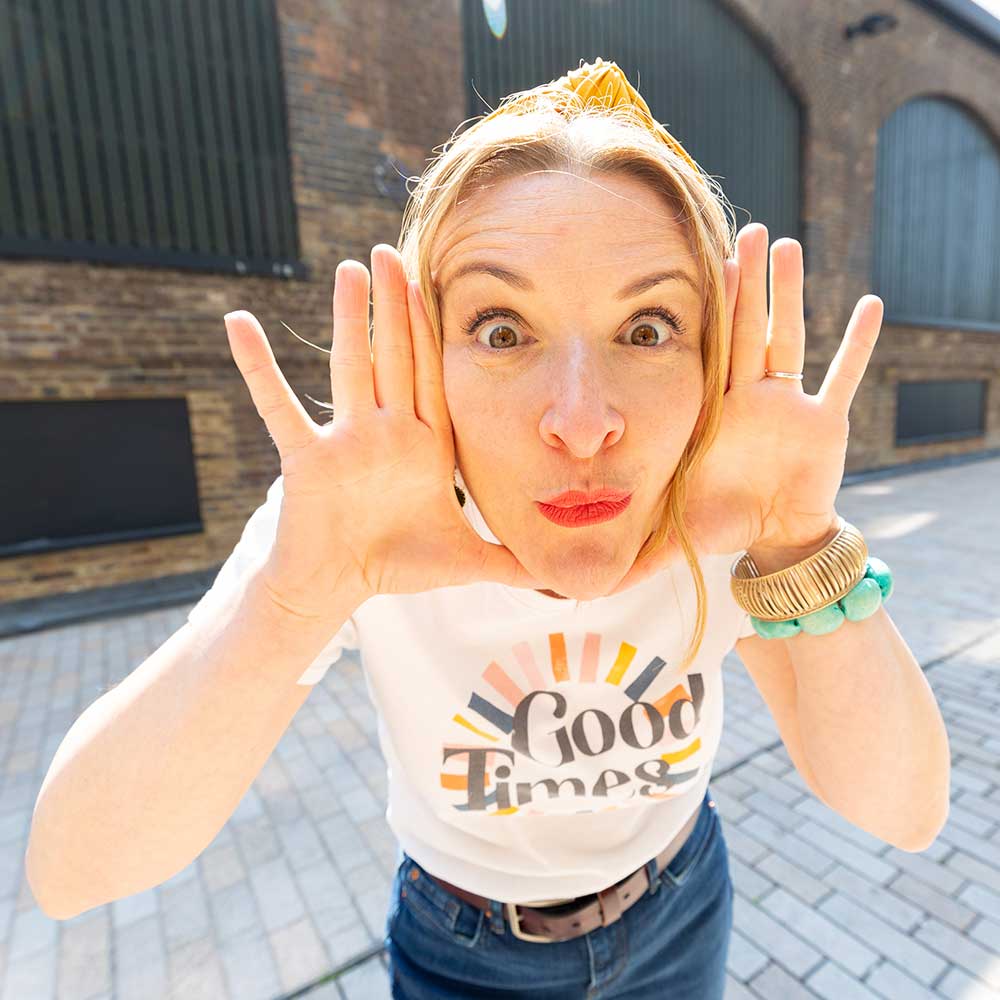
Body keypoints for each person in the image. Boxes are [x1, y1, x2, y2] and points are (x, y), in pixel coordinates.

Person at [27, 57, 908, 999]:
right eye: (501, 330)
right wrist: (292, 603)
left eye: (648, 328)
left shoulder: (721, 502)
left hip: (679, 908)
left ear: (710, 359)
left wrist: (800, 542)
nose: (582, 422)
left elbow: (903, 808)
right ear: (424, 352)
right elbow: (74, 872)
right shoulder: (365, 518)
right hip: (460, 947)